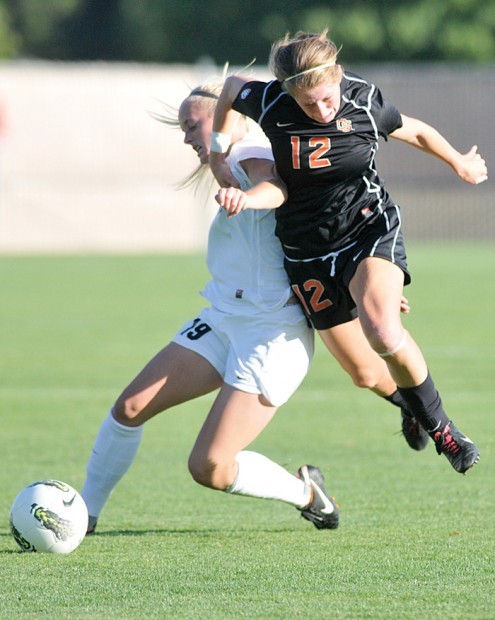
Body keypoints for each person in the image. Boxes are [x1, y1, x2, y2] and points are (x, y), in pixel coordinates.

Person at [81, 77, 429, 537]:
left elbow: (274, 187)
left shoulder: (251, 151)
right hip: (224, 317)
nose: (187, 136)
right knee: (129, 408)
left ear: (227, 117)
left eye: (192, 125)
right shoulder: (227, 162)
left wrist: (248, 198)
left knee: (209, 466)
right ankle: (83, 514)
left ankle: (308, 493)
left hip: (272, 332)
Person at [209, 31, 488, 475]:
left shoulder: (362, 99)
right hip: (306, 252)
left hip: (366, 227)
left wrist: (458, 161)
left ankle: (444, 430)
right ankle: (409, 405)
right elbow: (226, 89)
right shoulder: (269, 103)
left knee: (381, 329)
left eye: (326, 97)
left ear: (337, 75)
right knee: (363, 372)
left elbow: (413, 130)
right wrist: (217, 150)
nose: (321, 110)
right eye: (308, 105)